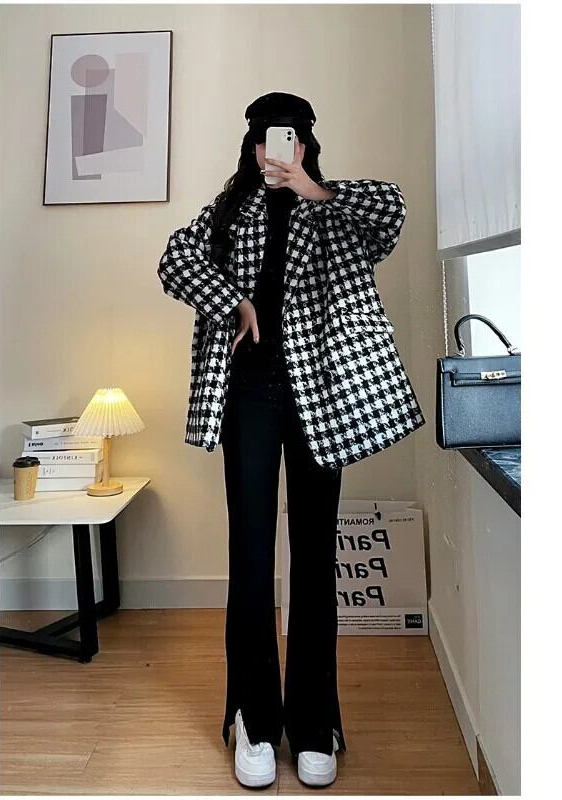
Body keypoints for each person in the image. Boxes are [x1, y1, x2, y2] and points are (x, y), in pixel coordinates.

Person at [158, 91, 414, 789]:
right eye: (268, 140)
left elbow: (391, 212)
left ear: (306, 146)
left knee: (314, 555)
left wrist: (313, 189)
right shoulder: (227, 212)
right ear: (251, 147)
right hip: (248, 394)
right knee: (249, 556)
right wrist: (233, 300)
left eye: (291, 139)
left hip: (317, 394)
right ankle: (253, 718)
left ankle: (315, 723)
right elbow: (173, 260)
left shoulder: (332, 207)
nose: (278, 151)